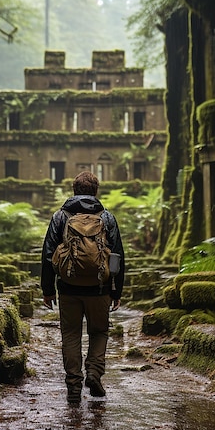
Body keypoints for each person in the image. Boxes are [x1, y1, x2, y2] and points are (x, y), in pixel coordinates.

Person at [41, 171, 125, 404]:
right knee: (99, 332)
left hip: (68, 287)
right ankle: (95, 374)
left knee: (71, 334)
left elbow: (48, 255)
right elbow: (117, 255)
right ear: (96, 191)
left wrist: (47, 290)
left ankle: (74, 385)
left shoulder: (60, 216)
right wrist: (116, 291)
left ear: (74, 190)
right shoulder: (106, 218)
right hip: (100, 287)